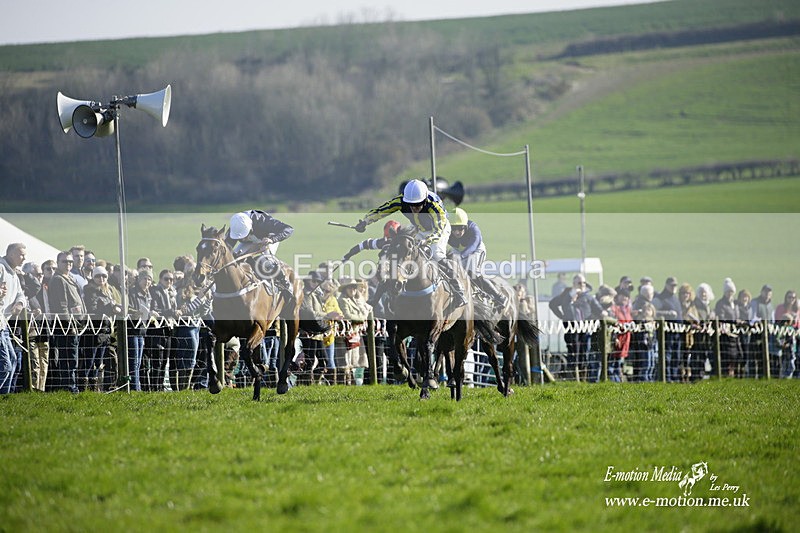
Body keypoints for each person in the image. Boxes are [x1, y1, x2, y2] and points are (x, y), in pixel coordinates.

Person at [354, 179, 466, 310]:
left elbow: (439, 229)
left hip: (438, 229)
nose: (414, 208)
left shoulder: (434, 205)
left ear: (424, 200)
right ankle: (378, 295)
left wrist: (426, 241)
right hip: (418, 228)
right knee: (399, 252)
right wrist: (365, 221)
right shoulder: (401, 201)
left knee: (436, 255)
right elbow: (382, 210)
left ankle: (459, 290)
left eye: (418, 205)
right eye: (411, 205)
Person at [226, 209, 295, 305]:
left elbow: (289, 229)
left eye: (244, 236)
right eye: (240, 238)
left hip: (267, 238)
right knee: (233, 258)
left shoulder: (263, 221)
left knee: (266, 262)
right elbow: (226, 248)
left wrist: (272, 239)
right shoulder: (236, 226)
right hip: (252, 241)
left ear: (250, 227)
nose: (242, 239)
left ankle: (285, 284)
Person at [446, 207, 508, 311]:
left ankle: (499, 296)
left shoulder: (474, 229)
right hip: (458, 250)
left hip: (476, 250)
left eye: (460, 228)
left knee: (473, 274)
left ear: (465, 227)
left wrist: (461, 257)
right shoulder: (446, 231)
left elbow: (473, 245)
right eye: (454, 229)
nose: (457, 232)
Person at [549, 274, 602, 378]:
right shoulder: (566, 295)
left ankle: (583, 377)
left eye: (583, 283)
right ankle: (573, 376)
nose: (582, 285)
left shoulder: (588, 296)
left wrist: (600, 314)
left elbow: (598, 309)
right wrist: (562, 316)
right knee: (573, 352)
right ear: (573, 284)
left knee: (584, 352)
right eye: (579, 283)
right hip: (571, 329)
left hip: (585, 329)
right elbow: (552, 304)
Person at [48, 251, 85, 393]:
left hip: (75, 324)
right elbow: (62, 305)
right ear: (58, 263)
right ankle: (69, 388)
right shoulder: (58, 279)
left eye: (70, 261)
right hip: (66, 327)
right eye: (65, 261)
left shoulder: (69, 278)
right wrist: (68, 325)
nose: (68, 264)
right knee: (68, 359)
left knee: (73, 357)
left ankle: (72, 386)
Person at [83, 266, 122, 391]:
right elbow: (93, 309)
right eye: (98, 276)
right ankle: (85, 387)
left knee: (99, 362)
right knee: (90, 361)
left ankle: (95, 387)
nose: (101, 278)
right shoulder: (90, 290)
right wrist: (110, 308)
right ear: (93, 277)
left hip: (105, 330)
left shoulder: (107, 291)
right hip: (94, 330)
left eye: (104, 276)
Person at [1, 243, 28, 394]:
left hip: (4, 324)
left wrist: (19, 303)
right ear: (11, 254)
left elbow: (21, 294)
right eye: (21, 255)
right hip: (0, 323)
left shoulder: (13, 273)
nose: (24, 258)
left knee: (13, 360)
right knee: (6, 364)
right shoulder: (1, 268)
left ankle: (6, 397)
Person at [337, 278, 372, 386]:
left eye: (354, 287)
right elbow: (348, 315)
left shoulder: (354, 300)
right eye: (350, 287)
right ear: (346, 289)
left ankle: (354, 383)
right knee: (346, 362)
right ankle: (347, 384)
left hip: (355, 334)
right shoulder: (343, 300)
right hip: (346, 335)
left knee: (354, 362)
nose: (353, 289)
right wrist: (362, 318)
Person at [653, 276, 682, 382]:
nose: (674, 287)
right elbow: (653, 313)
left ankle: (674, 377)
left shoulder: (675, 298)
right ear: (666, 285)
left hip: (677, 332)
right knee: (667, 356)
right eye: (672, 285)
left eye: (675, 285)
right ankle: (667, 377)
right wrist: (667, 314)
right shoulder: (660, 298)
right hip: (666, 332)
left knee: (676, 356)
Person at [714, 278, 741, 378]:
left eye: (731, 291)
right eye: (728, 291)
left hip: (735, 334)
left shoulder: (736, 304)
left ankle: (733, 375)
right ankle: (725, 376)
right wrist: (733, 322)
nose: (730, 293)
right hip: (726, 335)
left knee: (736, 356)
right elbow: (721, 318)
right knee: (726, 356)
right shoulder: (721, 304)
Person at [631, 284, 657, 382]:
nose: (647, 312)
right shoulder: (641, 320)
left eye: (649, 310)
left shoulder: (653, 322)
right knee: (645, 363)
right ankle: (644, 379)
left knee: (651, 363)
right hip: (643, 345)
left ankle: (649, 378)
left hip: (651, 344)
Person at [609, 290, 632, 382]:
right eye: (622, 296)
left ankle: (618, 381)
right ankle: (613, 382)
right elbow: (612, 324)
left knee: (619, 363)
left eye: (626, 297)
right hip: (616, 340)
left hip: (625, 341)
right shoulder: (614, 309)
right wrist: (614, 338)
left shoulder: (627, 310)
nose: (624, 298)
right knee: (612, 363)